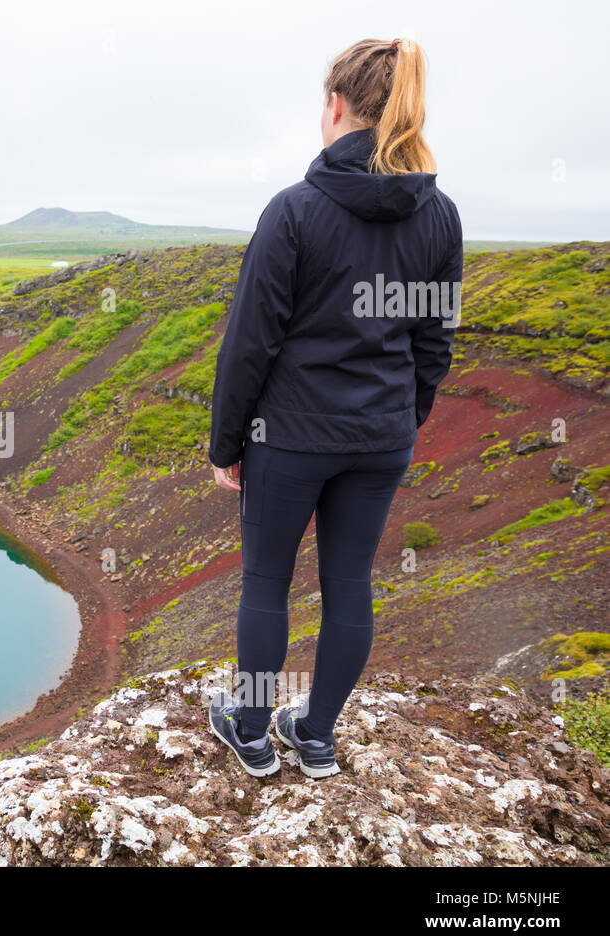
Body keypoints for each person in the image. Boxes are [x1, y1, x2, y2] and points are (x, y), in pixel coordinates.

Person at [206, 37, 462, 779]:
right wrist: (396, 419)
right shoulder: (439, 217)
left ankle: (251, 731)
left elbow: (249, 344)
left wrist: (227, 443)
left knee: (267, 582)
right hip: (379, 437)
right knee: (350, 583)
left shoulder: (295, 212)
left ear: (337, 106)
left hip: (289, 436)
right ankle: (314, 735)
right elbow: (432, 343)